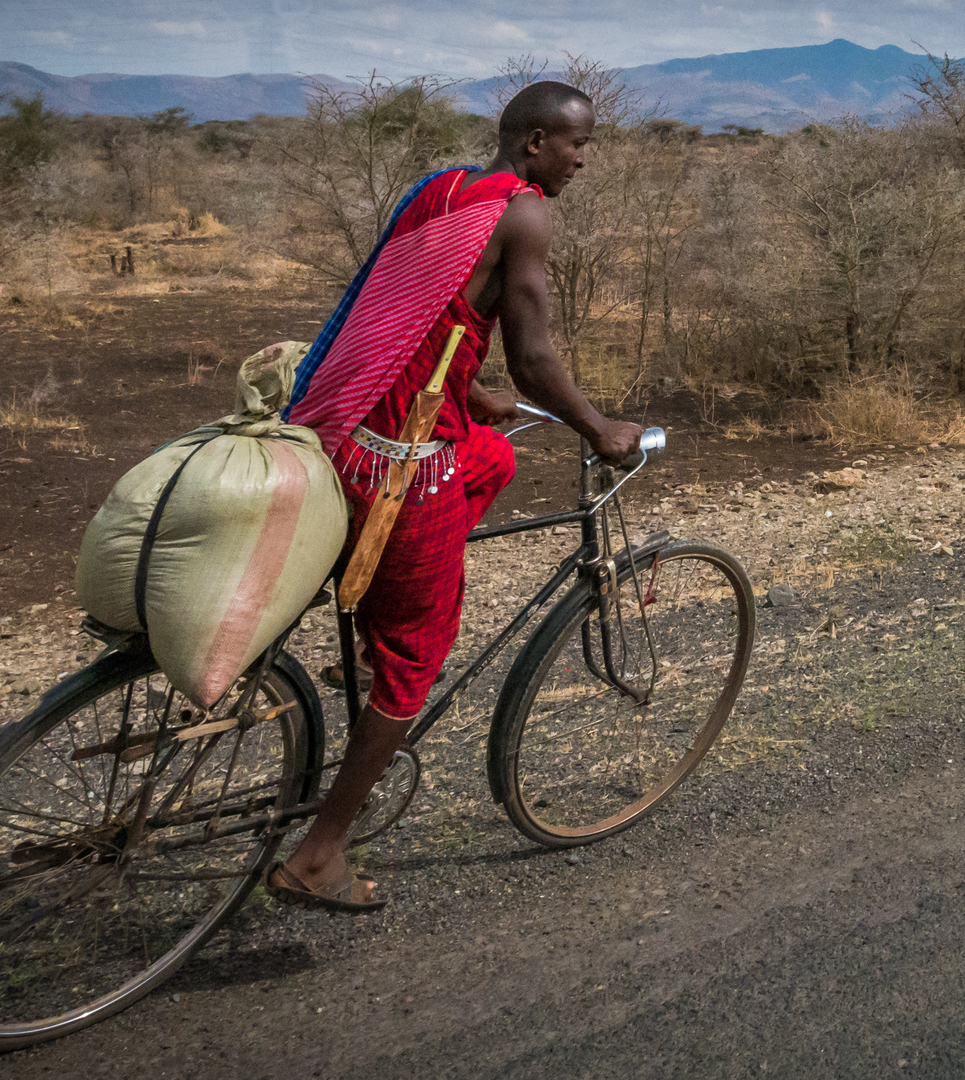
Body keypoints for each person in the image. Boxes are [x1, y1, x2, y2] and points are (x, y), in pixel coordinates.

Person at [268, 81, 644, 911]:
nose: (584, 160)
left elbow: (414, 317)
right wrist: (600, 431)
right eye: (577, 144)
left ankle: (379, 618)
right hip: (396, 463)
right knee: (416, 661)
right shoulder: (523, 212)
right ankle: (320, 854)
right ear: (536, 141)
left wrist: (471, 397)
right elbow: (536, 355)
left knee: (493, 460)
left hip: (348, 421)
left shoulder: (442, 188)